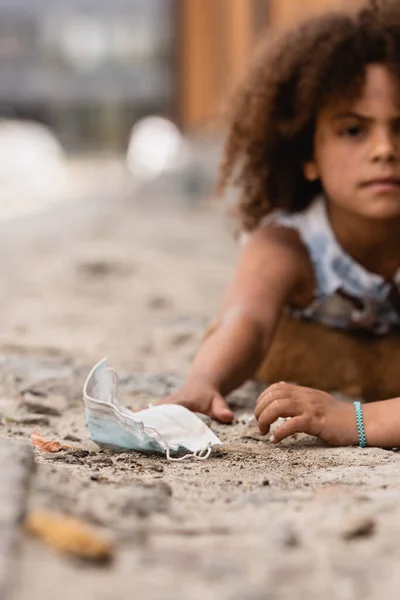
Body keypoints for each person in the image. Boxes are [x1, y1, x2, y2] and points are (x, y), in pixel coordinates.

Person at [163, 0, 400, 448]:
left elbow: (351, 418)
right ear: (307, 154)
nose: (384, 149)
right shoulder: (290, 245)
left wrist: (354, 420)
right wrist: (203, 379)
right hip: (318, 357)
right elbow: (245, 321)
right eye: (354, 130)